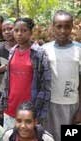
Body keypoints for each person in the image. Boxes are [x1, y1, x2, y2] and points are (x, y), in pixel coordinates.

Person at [0, 18, 51, 130]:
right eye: (16, 30)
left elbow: (45, 85)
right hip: (11, 107)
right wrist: (3, 104)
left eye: (24, 30)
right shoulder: (12, 51)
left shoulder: (39, 53)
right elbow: (7, 81)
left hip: (29, 111)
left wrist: (39, 112)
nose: (19, 34)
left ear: (31, 32)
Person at [43, 10, 81, 141]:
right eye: (59, 26)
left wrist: (80, 109)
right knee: (50, 137)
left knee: (70, 137)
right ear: (53, 26)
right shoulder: (45, 50)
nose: (63, 31)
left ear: (72, 27)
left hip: (72, 105)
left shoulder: (78, 50)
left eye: (67, 26)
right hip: (50, 105)